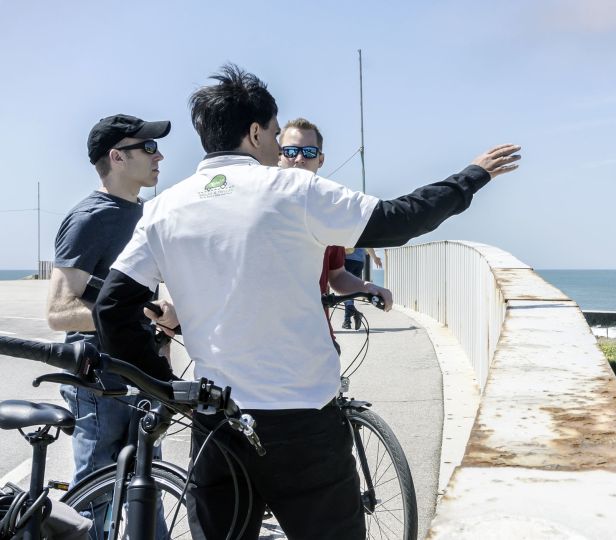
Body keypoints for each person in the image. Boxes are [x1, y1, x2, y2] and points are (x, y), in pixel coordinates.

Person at [93, 63, 520, 540]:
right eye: (275, 135)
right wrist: (472, 176)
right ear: (254, 133)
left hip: (215, 423)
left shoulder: (162, 209)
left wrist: (167, 388)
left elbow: (112, 308)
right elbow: (402, 219)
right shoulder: (295, 190)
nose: (279, 147)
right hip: (304, 426)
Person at [46, 113, 177, 535]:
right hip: (99, 383)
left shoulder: (148, 214)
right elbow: (59, 310)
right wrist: (137, 313)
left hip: (142, 375)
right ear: (117, 157)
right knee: (97, 501)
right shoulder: (90, 218)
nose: (160, 156)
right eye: (149, 148)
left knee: (147, 492)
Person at [277, 117, 392, 342]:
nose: (299, 159)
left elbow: (336, 276)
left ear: (321, 160)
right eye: (290, 151)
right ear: (278, 156)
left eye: (309, 152)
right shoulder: (253, 205)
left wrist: (366, 287)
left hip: (315, 344)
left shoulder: (326, 212)